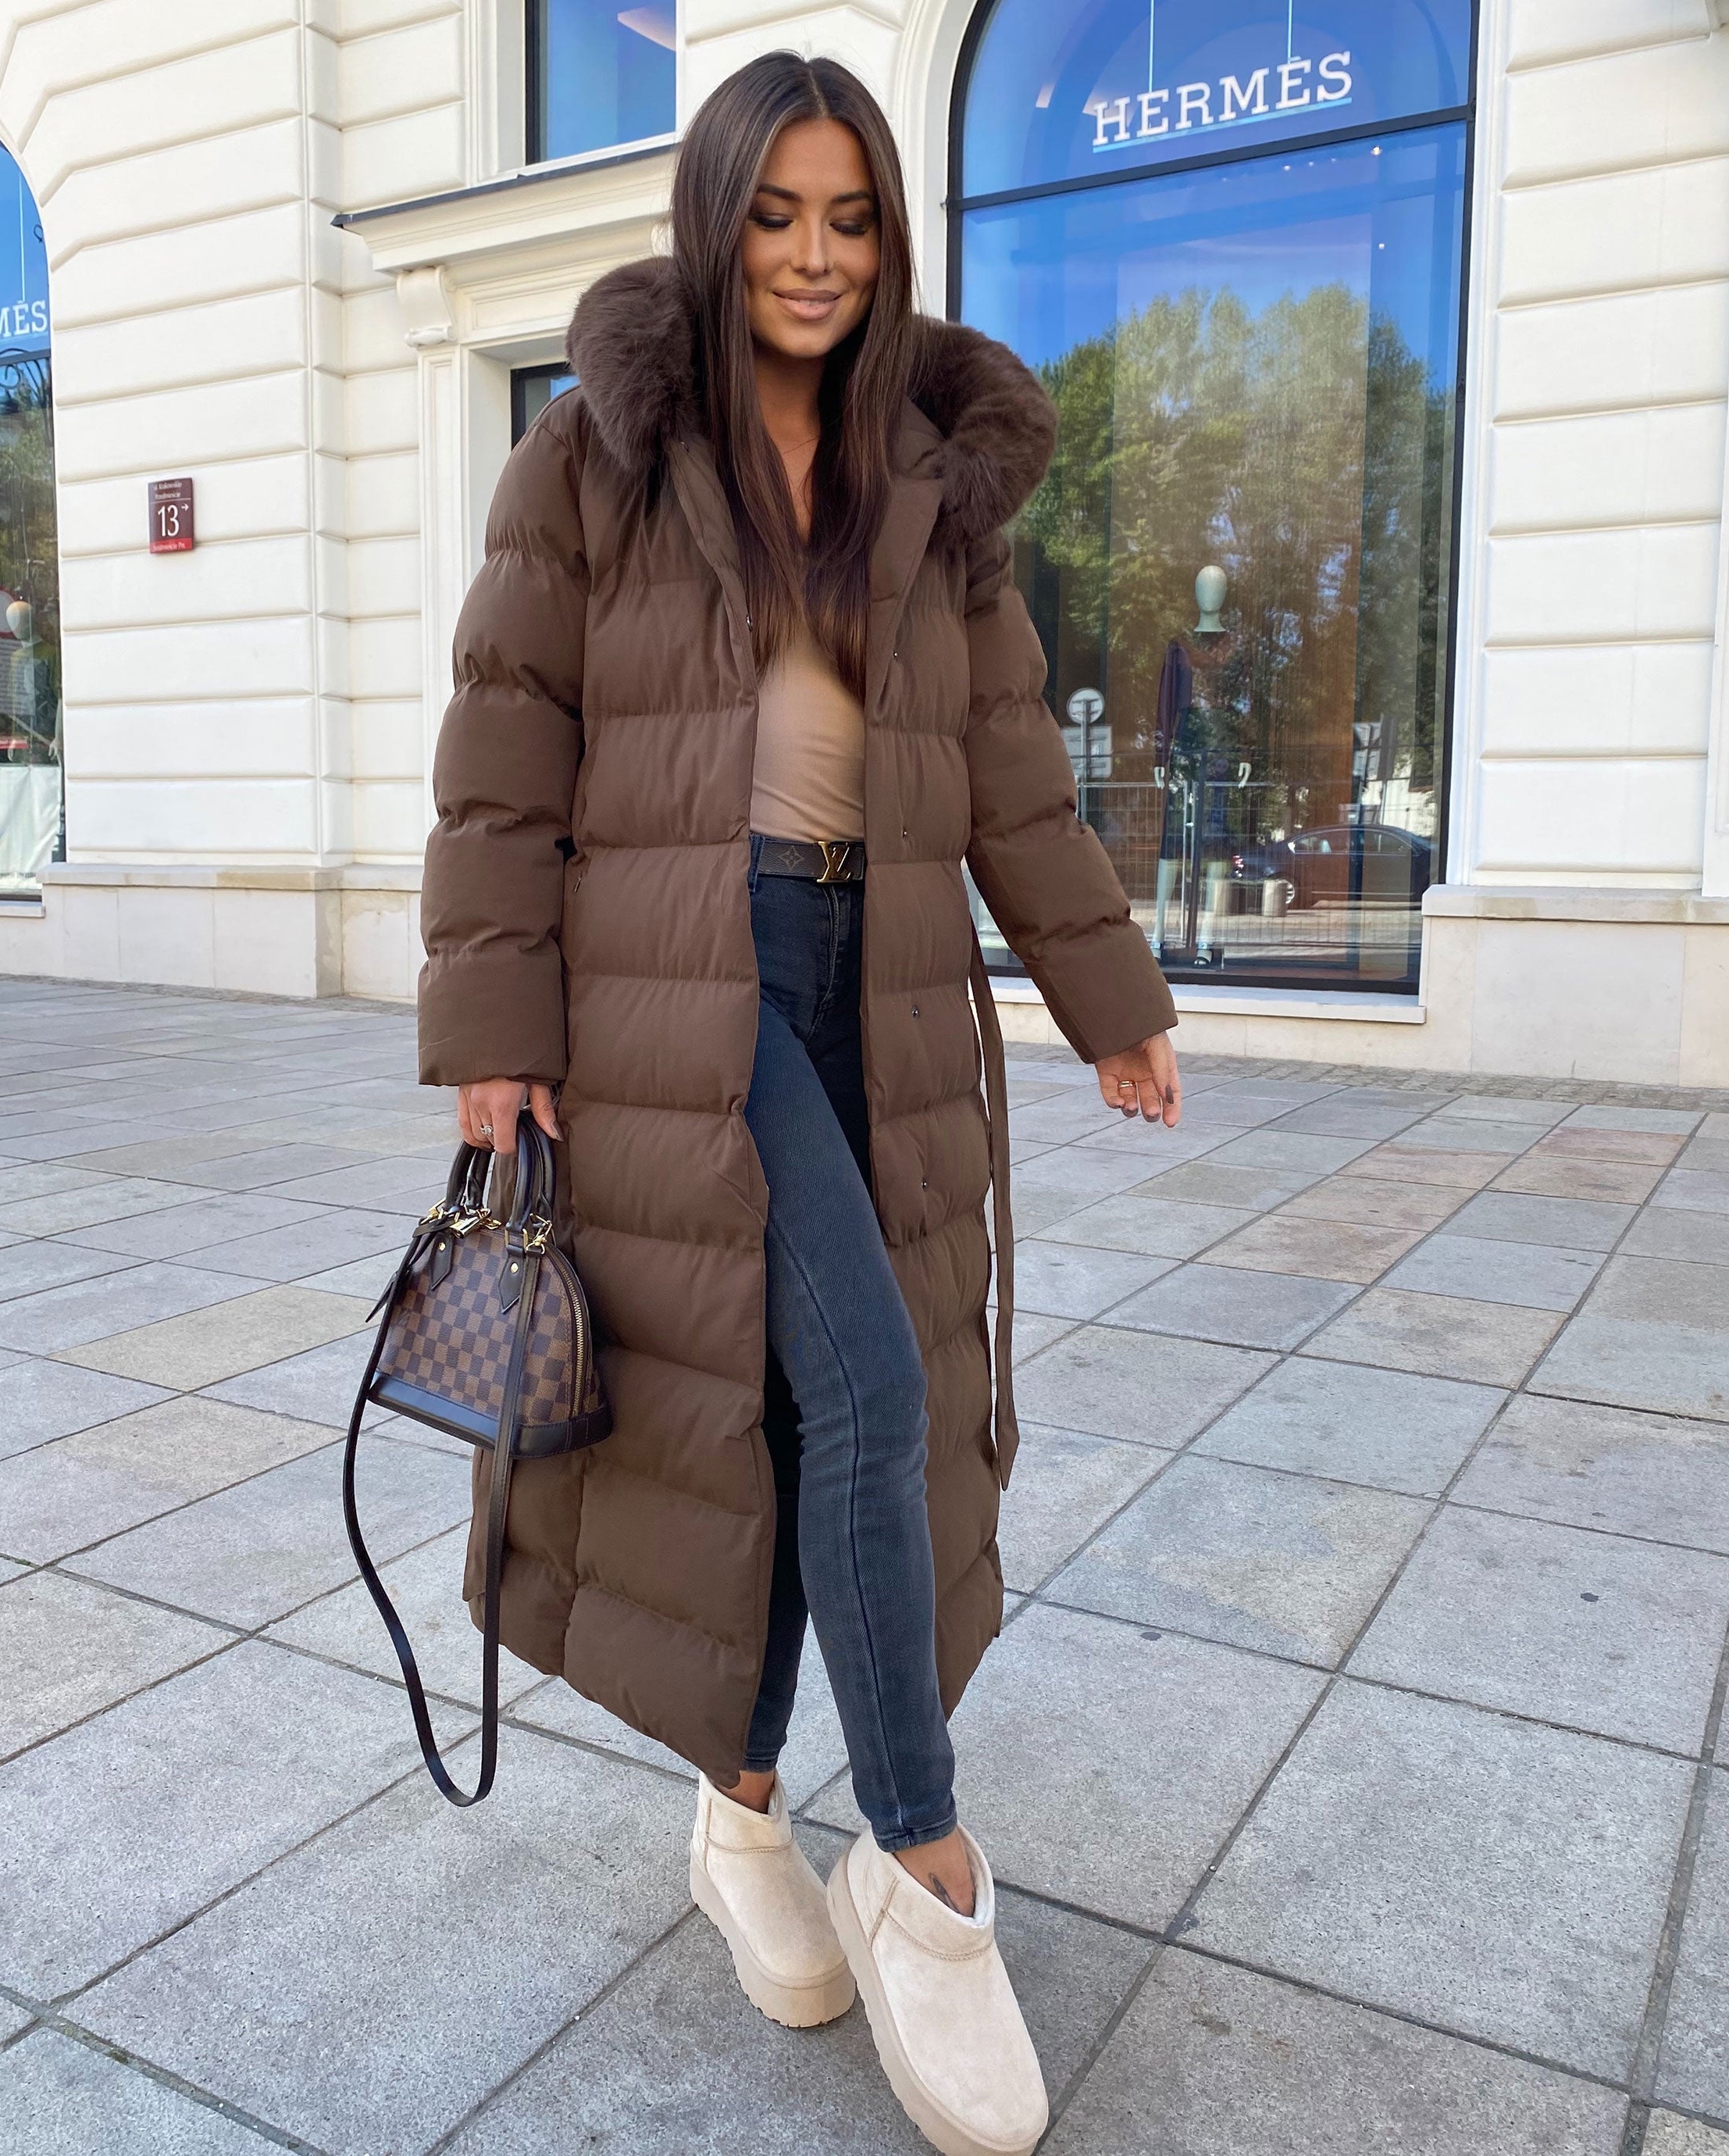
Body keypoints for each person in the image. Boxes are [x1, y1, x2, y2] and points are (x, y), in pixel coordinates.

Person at [418, 51, 1180, 2156]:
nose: (818, 257)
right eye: (779, 215)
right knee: (858, 1390)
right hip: (684, 977)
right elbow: (503, 749)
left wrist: (1101, 989)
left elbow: (1007, 763)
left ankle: (742, 1810)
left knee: (790, 1406)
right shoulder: (592, 459)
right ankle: (927, 1878)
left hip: (886, 974)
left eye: (851, 219)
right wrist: (495, 1037)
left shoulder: (930, 478)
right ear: (716, 215)